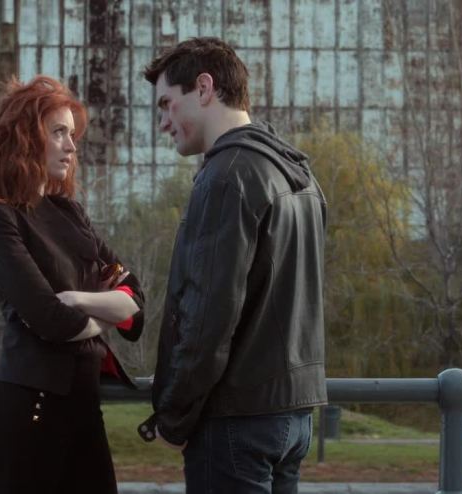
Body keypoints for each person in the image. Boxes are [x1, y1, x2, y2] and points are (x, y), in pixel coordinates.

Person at [139, 37, 328, 493]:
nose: (163, 123)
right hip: (292, 416)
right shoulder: (298, 175)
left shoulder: (227, 176)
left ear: (204, 88)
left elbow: (208, 315)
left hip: (235, 421)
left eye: (166, 104)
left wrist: (173, 417)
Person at [0, 75, 144, 494]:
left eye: (72, 135)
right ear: (24, 138)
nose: (71, 146)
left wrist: (77, 299)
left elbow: (137, 303)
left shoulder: (71, 213)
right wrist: (107, 311)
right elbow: (52, 319)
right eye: (58, 132)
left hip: (83, 412)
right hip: (28, 416)